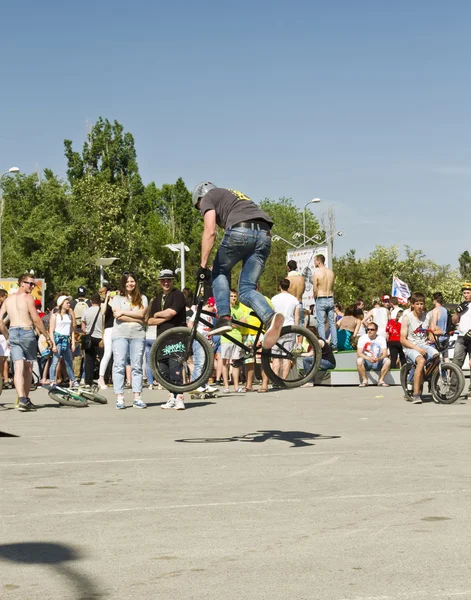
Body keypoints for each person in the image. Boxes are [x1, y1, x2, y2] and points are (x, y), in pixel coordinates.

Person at [192, 182, 284, 349]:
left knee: (219, 273)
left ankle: (224, 318)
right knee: (247, 289)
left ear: (200, 198)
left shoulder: (208, 198)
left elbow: (210, 230)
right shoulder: (232, 196)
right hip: (264, 234)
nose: (202, 211)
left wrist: (203, 265)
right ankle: (271, 318)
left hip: (240, 231)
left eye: (200, 208)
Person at [0, 274, 52, 411]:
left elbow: (0, 321)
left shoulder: (8, 300)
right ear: (21, 283)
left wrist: (7, 336)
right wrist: (47, 336)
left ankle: (22, 398)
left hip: (12, 332)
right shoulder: (28, 298)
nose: (32, 286)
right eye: (29, 283)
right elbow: (36, 319)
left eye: (33, 284)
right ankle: (25, 400)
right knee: (28, 366)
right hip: (26, 331)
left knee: (18, 365)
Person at [148, 269, 187, 410]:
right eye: (163, 280)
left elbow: (172, 312)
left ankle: (180, 398)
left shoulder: (178, 295)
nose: (166, 282)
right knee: (164, 371)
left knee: (176, 368)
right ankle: (171, 397)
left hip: (177, 338)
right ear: (159, 282)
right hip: (161, 339)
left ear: (172, 281)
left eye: (169, 280)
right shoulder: (157, 299)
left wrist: (159, 315)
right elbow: (150, 320)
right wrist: (163, 317)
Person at [111, 272, 148, 409]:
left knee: (137, 365)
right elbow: (117, 316)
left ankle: (137, 397)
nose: (130, 284)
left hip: (138, 335)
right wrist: (138, 319)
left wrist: (124, 312)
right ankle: (119, 397)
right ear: (123, 283)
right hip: (120, 334)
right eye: (127, 282)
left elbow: (142, 314)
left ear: (136, 283)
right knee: (119, 364)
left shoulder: (143, 298)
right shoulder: (117, 298)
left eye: (132, 281)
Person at [400, 292, 438, 404]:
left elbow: (430, 331)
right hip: (410, 346)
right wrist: (417, 348)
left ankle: (433, 386)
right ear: (412, 304)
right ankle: (416, 394)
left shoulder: (427, 316)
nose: (420, 306)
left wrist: (431, 336)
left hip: (423, 344)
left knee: (437, 357)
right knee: (421, 361)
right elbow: (403, 339)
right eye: (417, 304)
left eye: (421, 304)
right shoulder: (407, 318)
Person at [271, 278, 300, 380]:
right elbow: (297, 317)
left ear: (280, 286)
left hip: (277, 329)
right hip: (290, 328)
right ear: (289, 287)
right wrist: (297, 333)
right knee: (287, 356)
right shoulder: (294, 300)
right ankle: (284, 380)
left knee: (276, 356)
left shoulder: (274, 299)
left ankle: (275, 380)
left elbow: (271, 316)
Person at [49, 295, 80, 388]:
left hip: (66, 340)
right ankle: (52, 380)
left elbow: (71, 331)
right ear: (61, 304)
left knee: (69, 362)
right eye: (67, 302)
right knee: (55, 361)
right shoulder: (55, 316)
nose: (68, 304)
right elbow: (51, 330)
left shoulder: (69, 316)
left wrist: (73, 343)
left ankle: (73, 380)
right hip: (58, 340)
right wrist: (53, 344)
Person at [219, 289, 246, 393]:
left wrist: (234, 323)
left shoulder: (239, 308)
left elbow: (243, 322)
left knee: (236, 363)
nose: (233, 298)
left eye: (235, 296)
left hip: (237, 337)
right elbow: (225, 323)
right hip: (226, 337)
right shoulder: (224, 310)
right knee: (225, 362)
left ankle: (236, 386)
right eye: (231, 296)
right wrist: (235, 323)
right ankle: (226, 386)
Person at [313, 254, 337, 351]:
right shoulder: (331, 273)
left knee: (321, 323)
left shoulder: (317, 273)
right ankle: (334, 346)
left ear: (319, 261)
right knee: (332, 323)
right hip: (330, 297)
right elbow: (332, 287)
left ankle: (323, 346)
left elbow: (315, 289)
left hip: (321, 297)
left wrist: (316, 299)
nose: (314, 263)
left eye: (315, 261)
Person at [356, 322, 391, 387]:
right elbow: (359, 353)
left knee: (388, 361)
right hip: (367, 361)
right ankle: (365, 380)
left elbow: (385, 353)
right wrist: (368, 358)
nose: (369, 331)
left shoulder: (381, 339)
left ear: (376, 330)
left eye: (372, 329)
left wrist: (379, 358)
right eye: (368, 329)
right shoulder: (362, 338)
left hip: (378, 360)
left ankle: (381, 380)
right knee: (359, 360)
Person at [452, 283, 471, 399]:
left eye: (468, 293)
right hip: (461, 337)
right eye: (464, 293)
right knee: (456, 363)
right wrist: (457, 312)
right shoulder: (462, 305)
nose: (466, 295)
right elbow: (454, 321)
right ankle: (453, 389)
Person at [81, 293, 103, 388]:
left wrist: (87, 331)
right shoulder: (102, 311)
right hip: (100, 338)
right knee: (103, 359)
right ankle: (103, 379)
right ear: (100, 302)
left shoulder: (86, 311)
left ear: (90, 301)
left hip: (89, 337)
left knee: (89, 360)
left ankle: (88, 381)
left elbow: (83, 327)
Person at [97, 284, 114, 389]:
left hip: (118, 329)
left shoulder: (117, 302)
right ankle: (101, 378)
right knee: (107, 354)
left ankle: (115, 378)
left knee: (117, 355)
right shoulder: (104, 304)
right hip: (109, 330)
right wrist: (107, 298)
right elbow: (102, 312)